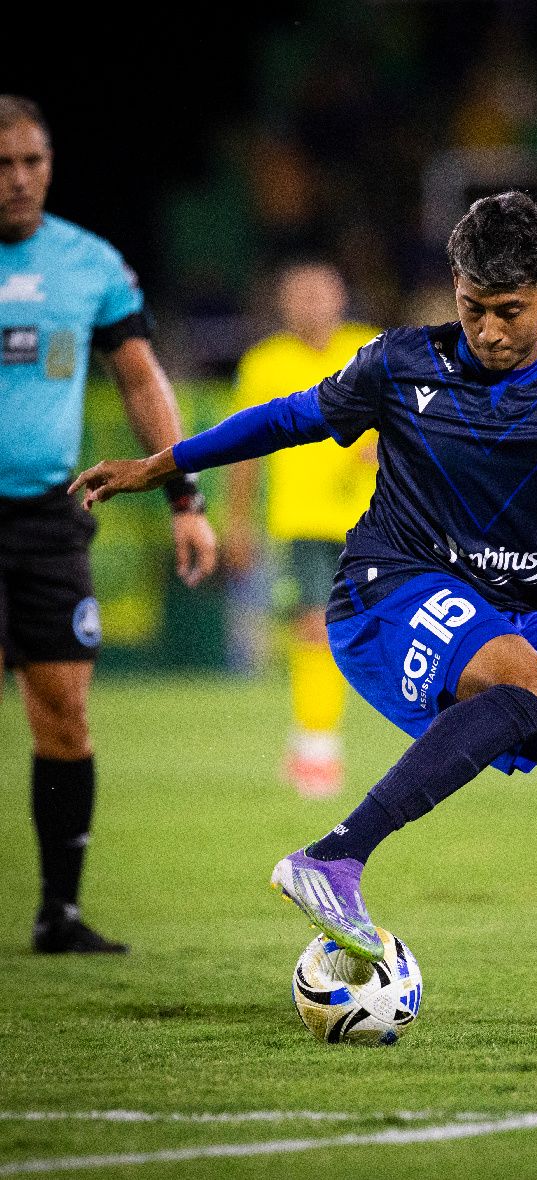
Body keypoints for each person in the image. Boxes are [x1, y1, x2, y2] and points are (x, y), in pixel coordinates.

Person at [71, 190, 537, 1032]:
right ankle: (333, 858)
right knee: (535, 685)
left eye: (509, 311)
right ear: (455, 287)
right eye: (472, 307)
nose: (488, 330)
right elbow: (287, 419)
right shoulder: (401, 362)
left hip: (504, 613)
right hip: (385, 591)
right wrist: (160, 466)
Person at [0, 95, 217, 954]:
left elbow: (140, 380)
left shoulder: (88, 264)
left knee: (64, 714)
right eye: (2, 164)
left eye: (33, 162)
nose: (19, 179)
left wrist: (184, 500)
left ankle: (59, 913)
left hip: (49, 521)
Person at [225, 259, 379, 796]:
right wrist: (237, 522)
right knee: (316, 625)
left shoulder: (369, 350)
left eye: (321, 293)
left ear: (341, 298)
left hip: (376, 521)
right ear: (284, 304)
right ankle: (318, 748)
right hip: (301, 522)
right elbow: (244, 449)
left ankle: (310, 742)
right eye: (300, 295)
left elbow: (414, 416)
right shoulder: (264, 363)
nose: (312, 304)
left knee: (364, 631)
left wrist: (387, 445)